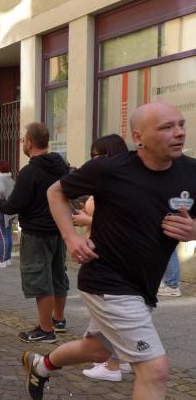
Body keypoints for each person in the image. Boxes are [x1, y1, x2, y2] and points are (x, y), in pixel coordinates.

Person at [24, 102, 196, 400]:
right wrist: (71, 237)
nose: (178, 133)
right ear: (138, 137)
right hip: (105, 280)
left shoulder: (190, 172)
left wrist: (194, 230)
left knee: (97, 350)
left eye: (181, 125)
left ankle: (40, 365)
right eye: (166, 127)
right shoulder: (110, 169)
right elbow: (56, 192)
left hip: (141, 286)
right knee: (154, 369)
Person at [0, 122, 70, 343]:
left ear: (30, 143)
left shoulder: (30, 171)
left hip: (36, 232)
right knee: (58, 275)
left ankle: (46, 330)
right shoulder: (61, 166)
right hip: (58, 229)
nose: (23, 143)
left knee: (40, 279)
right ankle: (59, 320)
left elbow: (15, 205)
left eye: (23, 140)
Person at [67, 134, 132, 382]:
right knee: (108, 315)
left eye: (94, 156)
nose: (91, 161)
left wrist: (87, 220)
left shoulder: (120, 184)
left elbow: (122, 223)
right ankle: (118, 359)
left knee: (109, 317)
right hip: (104, 256)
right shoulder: (108, 181)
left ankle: (111, 363)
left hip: (111, 259)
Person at [0, 160, 16, 268]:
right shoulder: (10, 178)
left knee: (2, 236)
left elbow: (1, 190)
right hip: (8, 209)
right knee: (8, 234)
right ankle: (7, 258)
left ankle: (2, 260)